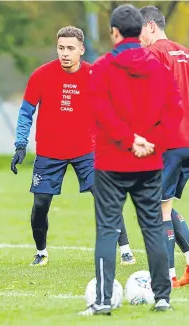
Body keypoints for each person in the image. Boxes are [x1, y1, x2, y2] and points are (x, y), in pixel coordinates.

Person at [79, 4, 183, 316]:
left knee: (107, 230)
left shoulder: (101, 67)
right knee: (152, 227)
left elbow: (99, 110)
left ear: (113, 33)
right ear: (140, 31)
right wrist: (153, 142)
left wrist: (127, 140)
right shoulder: (159, 67)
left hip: (111, 163)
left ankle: (101, 302)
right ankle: (162, 297)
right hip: (150, 162)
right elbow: (174, 110)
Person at [11, 26, 135, 267]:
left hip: (86, 152)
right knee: (40, 205)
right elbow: (26, 112)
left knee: (105, 197)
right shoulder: (41, 75)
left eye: (70, 48)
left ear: (81, 50)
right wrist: (20, 145)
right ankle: (41, 252)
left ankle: (126, 249)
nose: (64, 53)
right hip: (49, 152)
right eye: (60, 48)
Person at [140, 5, 189, 289]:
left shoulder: (155, 53)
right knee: (166, 205)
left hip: (170, 142)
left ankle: (166, 276)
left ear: (150, 26)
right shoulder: (184, 52)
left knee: (159, 209)